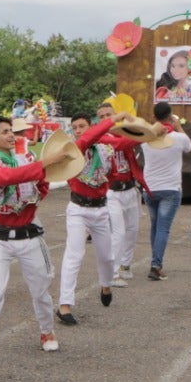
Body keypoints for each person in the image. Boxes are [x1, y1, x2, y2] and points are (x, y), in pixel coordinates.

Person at [0, 116, 72, 368]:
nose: (11, 136)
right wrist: (45, 162)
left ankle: (47, 331)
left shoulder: (25, 160)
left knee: (40, 290)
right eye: (4, 132)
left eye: (11, 132)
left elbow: (41, 186)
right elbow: (10, 178)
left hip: (29, 237)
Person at [56, 113, 135, 325]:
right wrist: (114, 118)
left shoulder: (105, 147)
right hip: (78, 209)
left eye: (82, 126)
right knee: (74, 255)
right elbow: (87, 140)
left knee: (107, 256)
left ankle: (106, 284)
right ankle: (64, 305)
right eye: (75, 127)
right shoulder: (75, 148)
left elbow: (126, 143)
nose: (78, 130)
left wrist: (153, 132)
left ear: (90, 127)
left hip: (100, 209)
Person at [141, 103, 191, 280]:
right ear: (170, 116)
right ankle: (156, 265)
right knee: (163, 228)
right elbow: (190, 147)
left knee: (155, 226)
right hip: (170, 189)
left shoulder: (146, 139)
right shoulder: (178, 138)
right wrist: (178, 126)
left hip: (149, 188)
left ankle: (155, 261)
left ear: (154, 117)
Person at [99, 102, 147, 286]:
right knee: (118, 231)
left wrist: (132, 123)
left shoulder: (124, 131)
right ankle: (113, 273)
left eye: (108, 114)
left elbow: (134, 136)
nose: (105, 119)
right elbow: (121, 144)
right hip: (112, 191)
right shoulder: (101, 137)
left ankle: (125, 265)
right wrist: (146, 134)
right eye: (101, 116)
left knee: (133, 229)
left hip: (129, 188)